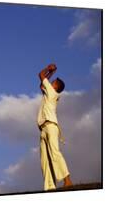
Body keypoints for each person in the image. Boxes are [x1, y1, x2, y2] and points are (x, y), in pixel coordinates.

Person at [37, 63, 72, 191]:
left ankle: (67, 179)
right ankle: (50, 187)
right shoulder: (49, 92)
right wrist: (52, 72)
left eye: (53, 81)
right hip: (43, 128)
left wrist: (48, 69)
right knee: (45, 160)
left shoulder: (52, 93)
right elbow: (41, 85)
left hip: (51, 126)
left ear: (56, 86)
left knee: (54, 153)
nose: (51, 82)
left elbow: (40, 75)